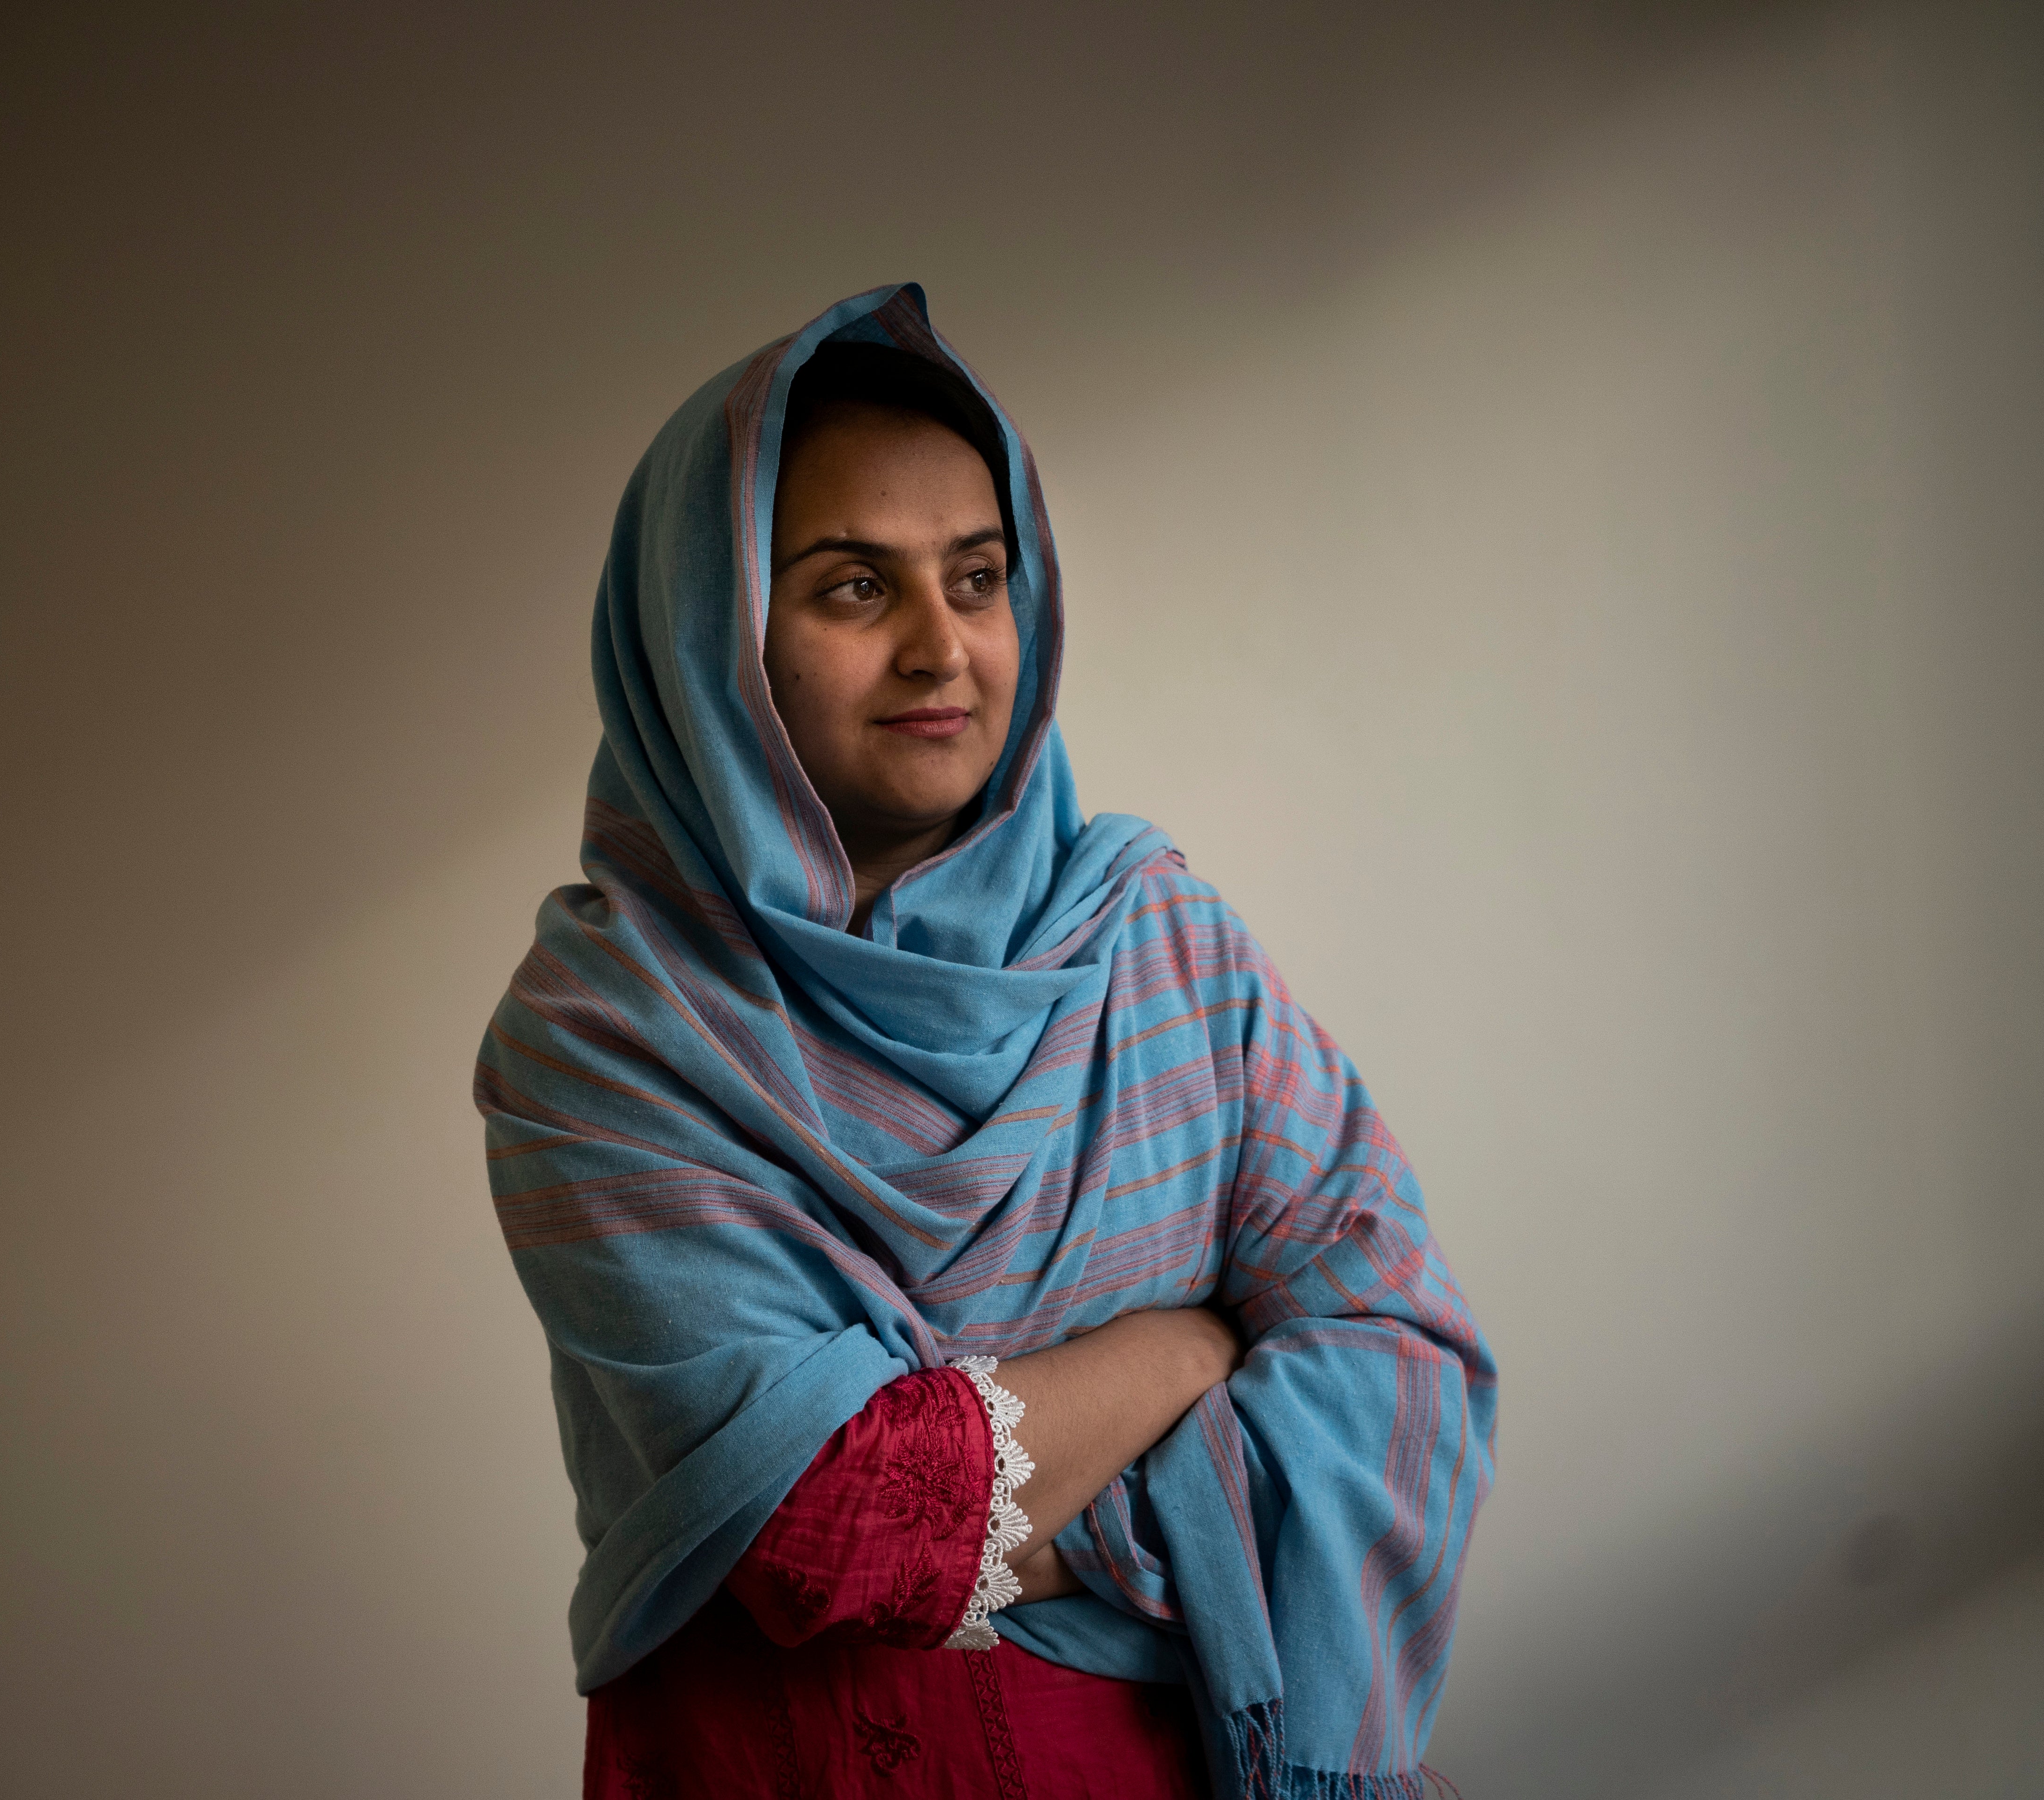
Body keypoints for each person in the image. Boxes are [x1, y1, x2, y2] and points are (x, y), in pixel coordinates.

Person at [477, 284, 1495, 1799]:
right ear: (713, 636)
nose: (942, 647)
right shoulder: (607, 1032)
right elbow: (842, 1523)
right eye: (851, 588)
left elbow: (1398, 1348)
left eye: (978, 576)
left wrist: (1023, 1480)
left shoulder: (1154, 942)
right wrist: (1192, 1341)